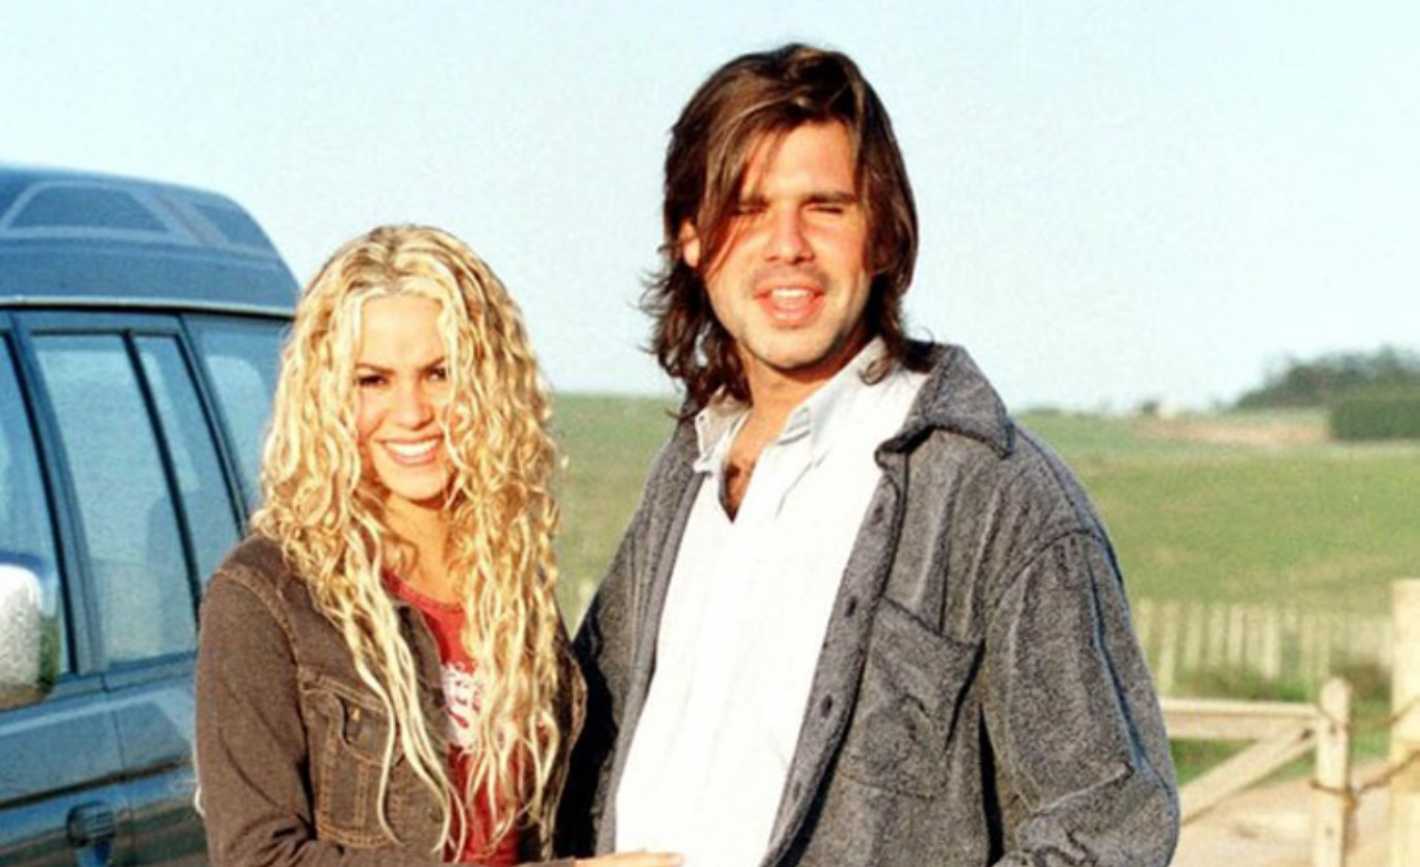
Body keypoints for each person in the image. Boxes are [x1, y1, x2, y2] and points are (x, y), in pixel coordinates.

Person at [558, 45, 1179, 866]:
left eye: (826, 207)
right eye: (747, 207)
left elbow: (1108, 824)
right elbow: (578, 762)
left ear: (883, 234)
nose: (787, 244)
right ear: (692, 239)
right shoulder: (687, 475)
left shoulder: (995, 495)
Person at [195, 226, 680, 867]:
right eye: (373, 380)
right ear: (327, 397)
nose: (412, 411)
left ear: (490, 386)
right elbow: (257, 857)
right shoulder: (266, 597)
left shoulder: (510, 586)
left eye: (439, 373)